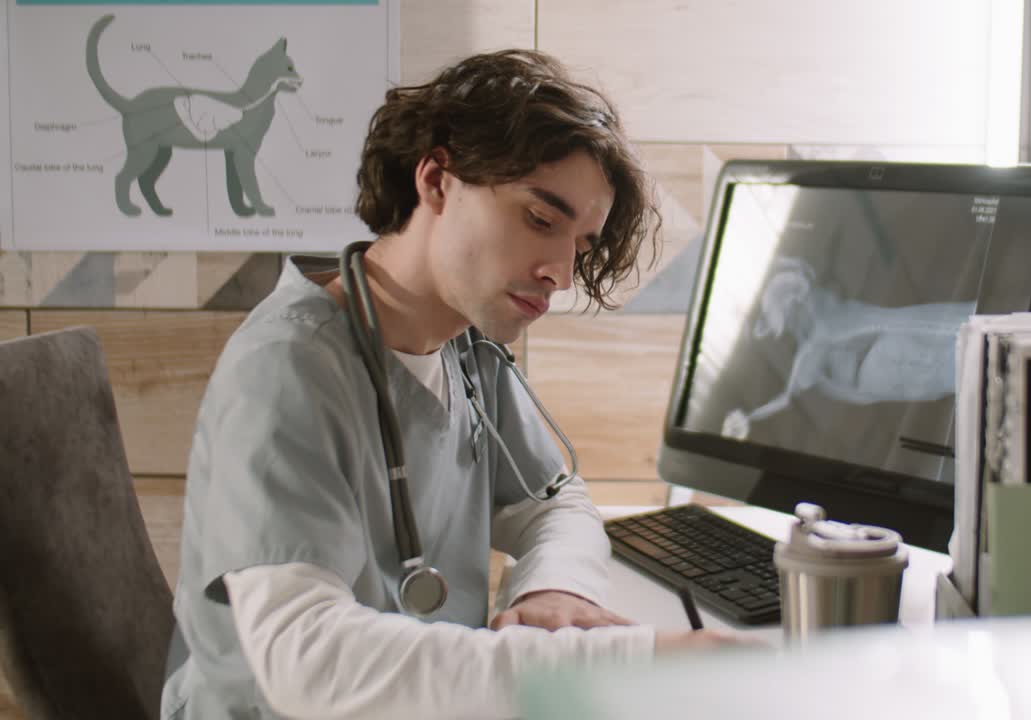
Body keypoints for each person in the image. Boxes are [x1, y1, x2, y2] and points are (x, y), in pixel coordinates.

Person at [160, 50, 740, 720]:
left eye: (579, 245)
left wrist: (551, 591)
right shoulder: (287, 370)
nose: (561, 273)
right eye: (541, 220)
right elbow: (307, 664)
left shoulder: (464, 347)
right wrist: (634, 663)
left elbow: (556, 503)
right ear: (437, 180)